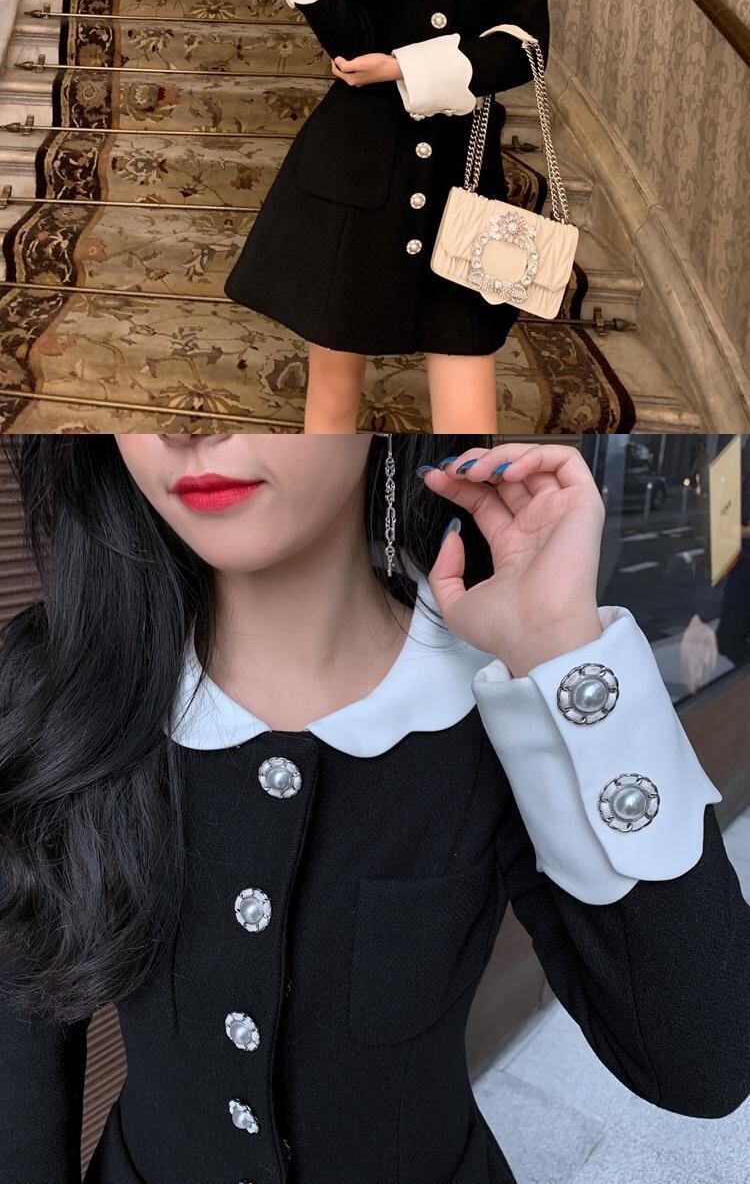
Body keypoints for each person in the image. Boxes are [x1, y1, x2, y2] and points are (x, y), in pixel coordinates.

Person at [1, 432, 749, 1184]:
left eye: (258, 375)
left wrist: (563, 653)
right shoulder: (55, 676)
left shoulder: (495, 690)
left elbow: (703, 1065)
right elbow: (17, 1054)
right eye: (144, 382)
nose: (187, 427)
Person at [225, 0, 550, 433]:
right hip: (357, 173)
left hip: (465, 179)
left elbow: (526, 47)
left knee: (468, 412)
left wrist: (406, 66)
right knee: (332, 398)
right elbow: (349, 46)